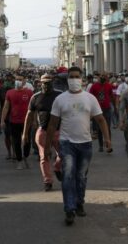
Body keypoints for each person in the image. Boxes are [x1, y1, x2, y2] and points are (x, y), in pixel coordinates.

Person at [45, 66, 111, 226]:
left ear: (81, 79)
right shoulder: (60, 99)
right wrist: (47, 145)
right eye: (71, 77)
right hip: (67, 143)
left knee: (81, 177)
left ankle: (79, 202)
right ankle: (69, 209)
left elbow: (101, 119)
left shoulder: (90, 98)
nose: (74, 79)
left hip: (85, 144)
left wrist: (107, 139)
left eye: (77, 76)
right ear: (67, 80)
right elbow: (53, 123)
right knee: (68, 176)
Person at [22, 74, 61, 191]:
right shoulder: (35, 97)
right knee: (44, 157)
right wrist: (25, 133)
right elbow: (29, 116)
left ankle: (57, 168)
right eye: (44, 82)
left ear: (52, 82)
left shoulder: (59, 96)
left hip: (59, 131)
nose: (46, 85)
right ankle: (48, 181)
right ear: (40, 83)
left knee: (64, 154)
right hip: (43, 131)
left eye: (48, 82)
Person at [1, 73, 34, 170]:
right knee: (16, 142)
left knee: (27, 141)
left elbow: (33, 108)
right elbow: (6, 107)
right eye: (17, 79)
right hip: (14, 121)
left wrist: (35, 120)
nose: (18, 81)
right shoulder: (9, 92)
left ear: (24, 81)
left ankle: (26, 157)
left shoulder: (29, 92)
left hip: (27, 121)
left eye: (20, 79)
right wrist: (2, 120)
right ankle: (19, 160)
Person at [89, 73, 114, 152]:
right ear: (99, 78)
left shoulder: (109, 85)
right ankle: (100, 145)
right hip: (97, 110)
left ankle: (108, 145)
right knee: (99, 128)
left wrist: (114, 106)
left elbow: (111, 95)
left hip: (107, 109)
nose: (103, 78)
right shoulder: (94, 86)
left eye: (104, 76)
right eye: (101, 76)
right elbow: (90, 97)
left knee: (108, 127)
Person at [0, 74, 15, 159]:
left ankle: (14, 152)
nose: (8, 81)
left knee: (14, 135)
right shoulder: (0, 90)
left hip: (15, 116)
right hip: (5, 116)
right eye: (7, 79)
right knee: (7, 135)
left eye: (10, 79)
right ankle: (9, 153)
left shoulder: (16, 90)